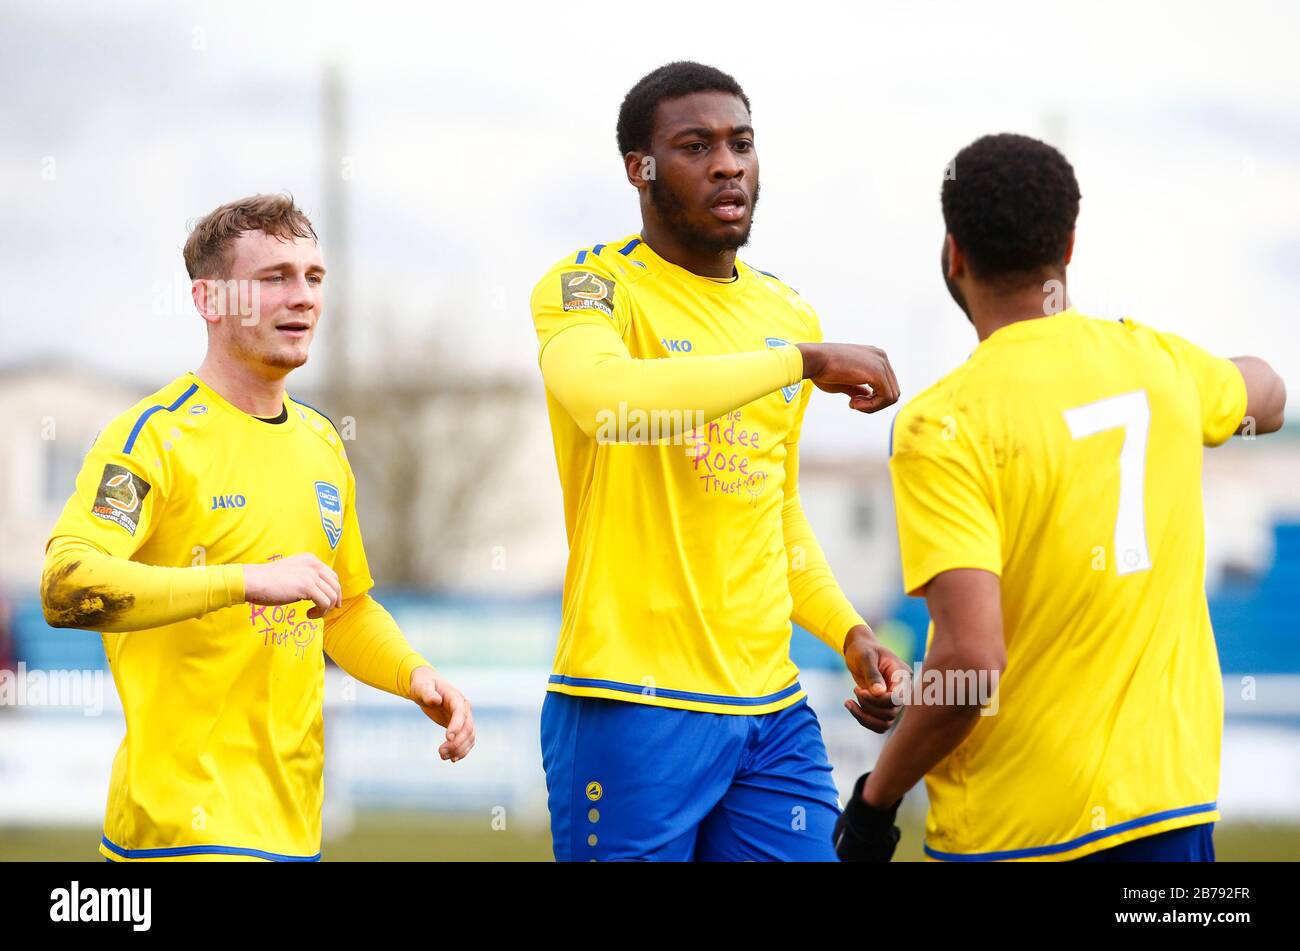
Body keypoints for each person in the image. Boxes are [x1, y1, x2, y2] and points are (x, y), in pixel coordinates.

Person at [835, 133, 1287, 862]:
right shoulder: (1160, 365)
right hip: (1169, 815)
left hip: (1017, 831)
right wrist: (1216, 398)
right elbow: (1266, 391)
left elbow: (973, 658)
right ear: (1068, 247)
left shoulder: (941, 423)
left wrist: (873, 801)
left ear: (954, 254)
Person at [530, 61, 909, 862]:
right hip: (631, 703)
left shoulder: (786, 309)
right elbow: (610, 402)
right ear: (641, 168)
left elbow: (771, 508)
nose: (728, 163)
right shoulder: (590, 285)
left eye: (741, 143)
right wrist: (799, 361)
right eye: (696, 145)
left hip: (769, 712)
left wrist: (845, 631)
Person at [41, 194, 475, 862]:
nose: (302, 296)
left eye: (314, 277)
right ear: (209, 301)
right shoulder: (153, 438)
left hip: (294, 831)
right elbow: (66, 585)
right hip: (182, 833)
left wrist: (412, 673)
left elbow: (344, 606)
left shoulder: (322, 442)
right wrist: (244, 581)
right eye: (273, 277)